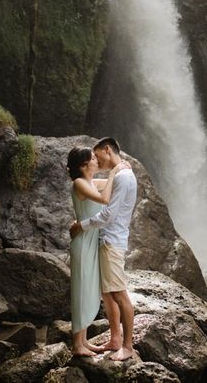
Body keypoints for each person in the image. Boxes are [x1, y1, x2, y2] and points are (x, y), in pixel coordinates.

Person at [70, 137, 138, 361]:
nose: (96, 161)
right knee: (107, 293)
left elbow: (108, 213)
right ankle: (116, 339)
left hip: (109, 240)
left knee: (117, 293)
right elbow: (96, 190)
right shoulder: (115, 176)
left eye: (97, 155)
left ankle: (127, 346)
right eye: (92, 159)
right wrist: (115, 171)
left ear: (107, 150)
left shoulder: (122, 177)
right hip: (100, 240)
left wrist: (81, 225)